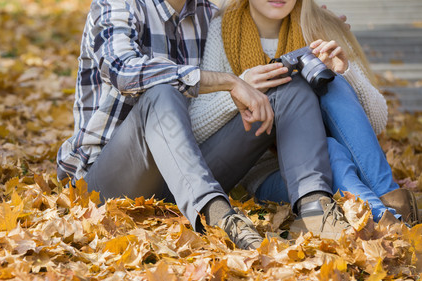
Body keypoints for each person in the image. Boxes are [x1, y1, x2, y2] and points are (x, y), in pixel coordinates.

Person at [57, 0, 350, 249]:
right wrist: (227, 81)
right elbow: (123, 70)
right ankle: (218, 216)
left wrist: (314, 34)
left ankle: (315, 207)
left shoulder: (208, 15)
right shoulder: (116, 5)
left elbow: (262, 55)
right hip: (112, 180)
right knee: (162, 91)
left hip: (188, 171)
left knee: (289, 90)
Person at [189, 0, 419, 227]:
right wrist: (239, 88)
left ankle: (390, 218)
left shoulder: (318, 24)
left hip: (324, 152)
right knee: (329, 151)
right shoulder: (222, 30)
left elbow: (378, 123)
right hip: (270, 171)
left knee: (333, 95)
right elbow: (196, 127)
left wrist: (346, 73)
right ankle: (392, 219)